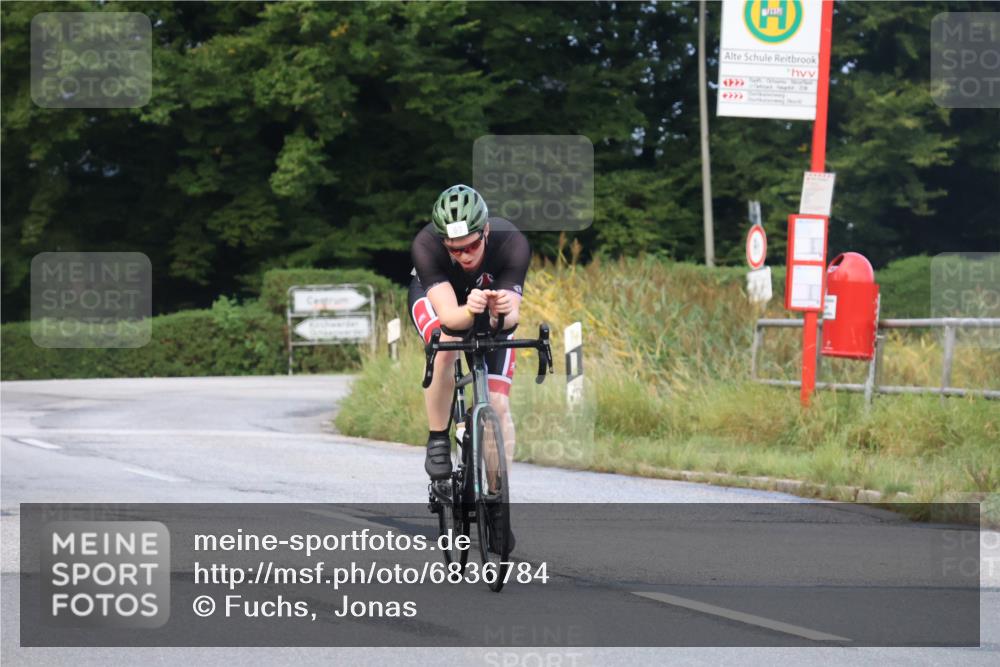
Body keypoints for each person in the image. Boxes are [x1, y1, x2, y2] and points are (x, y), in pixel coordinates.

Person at [408, 184, 530, 487]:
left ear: (485, 230)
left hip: (486, 307)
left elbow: (511, 319)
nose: (464, 256)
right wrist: (470, 311)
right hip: (439, 301)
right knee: (447, 345)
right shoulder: (426, 244)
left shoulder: (511, 242)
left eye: (471, 246)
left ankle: (497, 497)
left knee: (499, 405)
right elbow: (450, 318)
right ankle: (438, 439)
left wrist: (497, 311)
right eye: (454, 249)